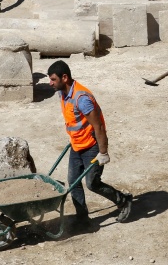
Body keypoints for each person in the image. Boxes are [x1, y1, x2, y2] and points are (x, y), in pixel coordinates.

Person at [47, 60, 133, 226]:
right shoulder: (63, 93)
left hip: (91, 147)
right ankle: (82, 218)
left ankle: (123, 200)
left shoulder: (81, 98)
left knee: (92, 183)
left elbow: (98, 126)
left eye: (53, 79)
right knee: (73, 182)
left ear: (64, 78)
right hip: (76, 145)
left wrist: (103, 152)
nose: (50, 83)